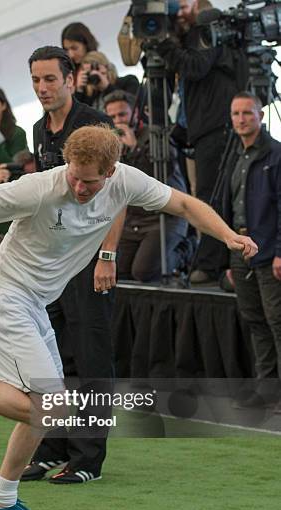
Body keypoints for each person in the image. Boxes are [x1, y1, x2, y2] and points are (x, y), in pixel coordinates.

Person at [0, 124, 258, 510]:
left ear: (111, 172)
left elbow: (186, 206)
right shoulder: (41, 187)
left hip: (35, 305)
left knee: (44, 411)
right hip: (5, 299)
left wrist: (229, 237)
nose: (80, 187)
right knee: (49, 408)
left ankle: (0, 503)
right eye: (74, 176)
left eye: (90, 181)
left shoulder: (126, 182)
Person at [28, 45, 118, 485]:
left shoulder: (95, 125)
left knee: (91, 359)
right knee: (51, 358)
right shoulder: (38, 130)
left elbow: (121, 197)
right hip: (53, 266)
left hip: (90, 263)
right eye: (36, 80)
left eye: (50, 79)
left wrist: (106, 255)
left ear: (70, 78)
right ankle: (51, 448)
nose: (43, 88)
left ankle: (87, 460)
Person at [157, 0, 249, 283]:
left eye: (182, 4)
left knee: (211, 196)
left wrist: (163, 43)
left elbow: (195, 66)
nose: (177, 10)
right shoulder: (195, 35)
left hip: (216, 127)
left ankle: (211, 264)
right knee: (208, 194)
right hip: (204, 129)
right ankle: (212, 261)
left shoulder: (209, 27)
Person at [222, 92, 281, 380]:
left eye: (248, 113)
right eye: (236, 114)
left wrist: (280, 252)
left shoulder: (276, 153)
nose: (241, 119)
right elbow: (228, 209)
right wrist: (228, 259)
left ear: (261, 115)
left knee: (277, 322)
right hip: (239, 251)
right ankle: (266, 388)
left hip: (270, 252)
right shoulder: (235, 156)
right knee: (255, 321)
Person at [104, 90, 191, 281]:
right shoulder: (109, 145)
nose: (117, 121)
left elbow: (156, 179)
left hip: (165, 217)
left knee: (143, 272)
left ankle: (185, 251)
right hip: (133, 220)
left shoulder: (155, 137)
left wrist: (135, 148)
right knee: (120, 272)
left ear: (135, 114)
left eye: (122, 114)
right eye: (112, 116)